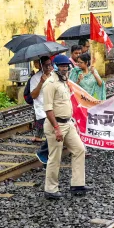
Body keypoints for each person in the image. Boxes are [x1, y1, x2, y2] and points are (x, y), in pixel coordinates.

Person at [42, 67, 89, 199]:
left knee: (79, 149)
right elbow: (48, 109)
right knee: (55, 157)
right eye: (62, 66)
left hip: (68, 123)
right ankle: (50, 190)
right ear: (56, 67)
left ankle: (77, 184)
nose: (65, 69)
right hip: (55, 125)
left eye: (66, 66)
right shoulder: (49, 84)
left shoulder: (64, 81)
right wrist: (56, 128)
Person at [30, 56, 52, 143]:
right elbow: (33, 95)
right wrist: (41, 83)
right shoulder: (35, 78)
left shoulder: (55, 75)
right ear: (41, 66)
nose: (49, 67)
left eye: (50, 65)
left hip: (54, 106)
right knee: (47, 129)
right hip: (42, 107)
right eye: (46, 65)